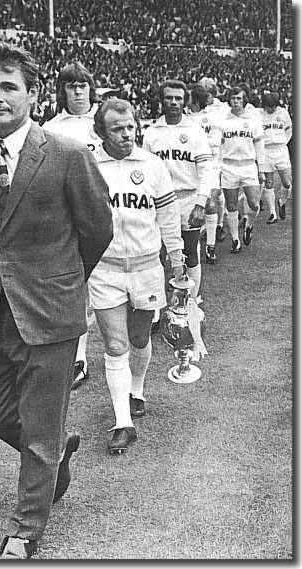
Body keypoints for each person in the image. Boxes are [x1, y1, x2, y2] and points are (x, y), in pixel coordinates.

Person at [0, 42, 113, 559]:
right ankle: (57, 449)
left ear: (32, 94)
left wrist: (61, 280)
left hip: (49, 312)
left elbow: (97, 230)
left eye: (8, 87)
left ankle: (25, 530)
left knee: (39, 429)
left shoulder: (68, 156)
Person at [89, 98, 184, 454]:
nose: (126, 134)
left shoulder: (153, 165)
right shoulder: (89, 165)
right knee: (115, 345)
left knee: (139, 337)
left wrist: (176, 259)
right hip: (105, 270)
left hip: (146, 268)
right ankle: (122, 422)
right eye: (117, 128)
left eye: (130, 126)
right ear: (102, 132)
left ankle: (137, 389)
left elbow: (168, 218)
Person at [44, 62, 101, 389]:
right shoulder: (52, 128)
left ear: (91, 88)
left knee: (114, 288)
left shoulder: (103, 121)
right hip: (69, 221)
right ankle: (79, 358)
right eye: (71, 86)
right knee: (76, 290)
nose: (78, 91)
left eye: (82, 85)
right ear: (62, 90)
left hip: (109, 215)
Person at [143, 80, 214, 304]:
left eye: (178, 98)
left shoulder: (194, 130)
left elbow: (206, 170)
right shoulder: (152, 132)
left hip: (188, 198)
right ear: (161, 100)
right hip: (160, 202)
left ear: (184, 101)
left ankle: (190, 303)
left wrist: (201, 203)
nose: (173, 102)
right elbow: (145, 171)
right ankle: (156, 307)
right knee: (158, 254)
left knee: (190, 251)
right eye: (169, 98)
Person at [220, 86, 265, 253]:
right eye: (233, 98)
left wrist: (261, 168)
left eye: (239, 98)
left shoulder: (253, 119)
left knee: (254, 204)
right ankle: (235, 239)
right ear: (229, 100)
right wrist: (218, 167)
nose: (236, 102)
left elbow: (259, 145)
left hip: (248, 166)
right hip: (228, 166)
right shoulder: (223, 120)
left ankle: (248, 225)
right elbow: (218, 146)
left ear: (244, 100)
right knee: (231, 205)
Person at [188, 84, 226, 264]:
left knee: (209, 203)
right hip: (187, 166)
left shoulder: (212, 118)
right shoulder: (184, 117)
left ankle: (210, 246)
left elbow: (216, 142)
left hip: (209, 164)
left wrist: (196, 143)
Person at [259, 91, 292, 222]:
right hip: (266, 150)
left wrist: (285, 141)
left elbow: (289, 128)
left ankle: (282, 202)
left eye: (273, 106)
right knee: (269, 182)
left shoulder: (283, 112)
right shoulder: (259, 114)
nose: (271, 109)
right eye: (269, 106)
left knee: (286, 183)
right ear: (264, 105)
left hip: (280, 150)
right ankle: (273, 214)